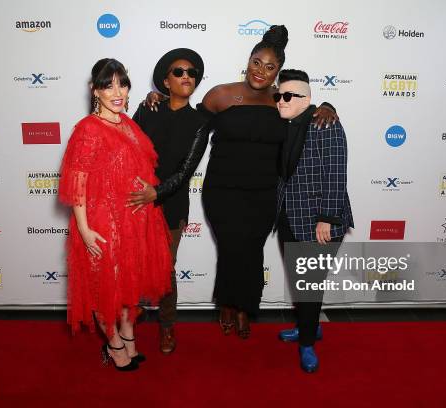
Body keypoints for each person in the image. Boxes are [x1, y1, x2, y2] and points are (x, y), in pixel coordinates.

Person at [132, 25, 338, 339]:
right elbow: (189, 133)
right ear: (249, 60)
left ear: (277, 72)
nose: (261, 71)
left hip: (264, 194)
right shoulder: (221, 95)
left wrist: (328, 107)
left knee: (253, 253)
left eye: (270, 67)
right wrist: (159, 96)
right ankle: (228, 306)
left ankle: (244, 308)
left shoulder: (283, 101)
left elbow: (308, 115)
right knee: (230, 250)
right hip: (222, 193)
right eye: (257, 62)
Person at [58, 58, 172, 371]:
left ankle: (129, 336)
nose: (117, 91)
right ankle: (115, 345)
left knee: (127, 288)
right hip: (102, 223)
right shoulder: (88, 130)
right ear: (95, 90)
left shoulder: (127, 123)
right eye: (108, 85)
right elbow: (77, 181)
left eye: (122, 83)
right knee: (105, 288)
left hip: (131, 223)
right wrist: (83, 229)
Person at [274, 69, 353, 373]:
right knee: (301, 282)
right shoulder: (283, 124)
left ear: (307, 99)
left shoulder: (325, 123)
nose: (281, 100)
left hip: (320, 220)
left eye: (289, 96)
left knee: (310, 283)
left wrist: (328, 219)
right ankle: (308, 326)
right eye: (278, 95)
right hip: (286, 215)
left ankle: (307, 342)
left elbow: (336, 174)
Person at [131, 48, 206, 354]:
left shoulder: (199, 121)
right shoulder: (148, 109)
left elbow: (187, 169)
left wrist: (157, 193)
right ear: (165, 80)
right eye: (178, 72)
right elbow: (128, 146)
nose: (186, 76)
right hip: (135, 202)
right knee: (133, 263)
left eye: (191, 73)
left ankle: (167, 326)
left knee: (165, 270)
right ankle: (128, 316)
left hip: (171, 206)